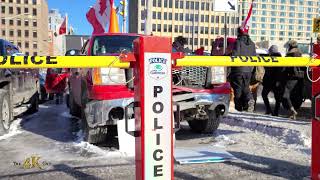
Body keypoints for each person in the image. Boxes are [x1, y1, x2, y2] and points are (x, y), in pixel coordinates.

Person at [229, 27, 256, 112]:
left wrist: (229, 54)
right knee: (246, 88)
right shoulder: (252, 43)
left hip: (238, 70)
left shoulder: (238, 42)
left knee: (237, 89)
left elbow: (235, 55)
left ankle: (239, 108)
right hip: (248, 70)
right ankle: (249, 99)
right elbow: (254, 57)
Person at [282, 40, 304, 119]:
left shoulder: (289, 55)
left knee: (286, 94)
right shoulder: (300, 54)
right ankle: (293, 112)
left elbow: (284, 68)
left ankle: (292, 110)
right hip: (300, 78)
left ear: (290, 46)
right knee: (295, 96)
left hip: (291, 77)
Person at [261, 45, 283, 116]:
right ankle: (275, 112)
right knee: (277, 98)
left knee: (264, 94)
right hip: (275, 81)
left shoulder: (270, 58)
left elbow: (270, 69)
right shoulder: (280, 59)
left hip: (269, 80)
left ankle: (269, 109)